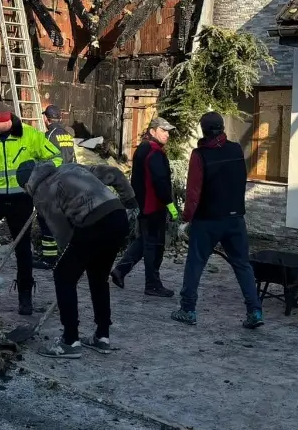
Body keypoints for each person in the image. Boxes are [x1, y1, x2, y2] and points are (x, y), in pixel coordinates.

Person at [17, 157, 132, 358]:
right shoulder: (70, 167)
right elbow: (114, 173)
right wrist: (129, 198)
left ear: (27, 184)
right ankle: (102, 336)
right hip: (118, 216)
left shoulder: (42, 193)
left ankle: (70, 341)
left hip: (94, 223)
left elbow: (63, 234)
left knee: (63, 276)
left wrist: (70, 261)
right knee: (98, 276)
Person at [0, 100, 63, 315]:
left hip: (21, 199)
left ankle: (25, 297)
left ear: (5, 120)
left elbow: (56, 158)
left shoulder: (30, 135)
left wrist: (39, 176)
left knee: (23, 249)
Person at [172, 112, 264, 329]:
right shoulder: (236, 150)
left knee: (195, 263)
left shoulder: (200, 155)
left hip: (207, 220)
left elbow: (193, 192)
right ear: (222, 128)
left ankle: (188, 310)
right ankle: (255, 311)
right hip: (235, 219)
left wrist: (186, 219)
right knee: (242, 265)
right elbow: (240, 181)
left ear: (203, 129)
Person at [111, 117, 179, 297]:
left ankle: (120, 271)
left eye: (168, 132)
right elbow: (160, 181)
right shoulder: (154, 152)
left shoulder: (142, 149)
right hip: (153, 206)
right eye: (164, 131)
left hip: (143, 204)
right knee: (154, 246)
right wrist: (170, 205)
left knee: (144, 242)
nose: (167, 135)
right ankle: (153, 284)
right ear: (152, 131)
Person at [34, 105, 76, 269]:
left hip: (52, 184)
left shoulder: (48, 136)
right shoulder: (67, 135)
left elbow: (44, 162)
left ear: (46, 118)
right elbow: (73, 158)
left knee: (45, 220)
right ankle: (66, 254)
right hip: (68, 182)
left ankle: (49, 259)